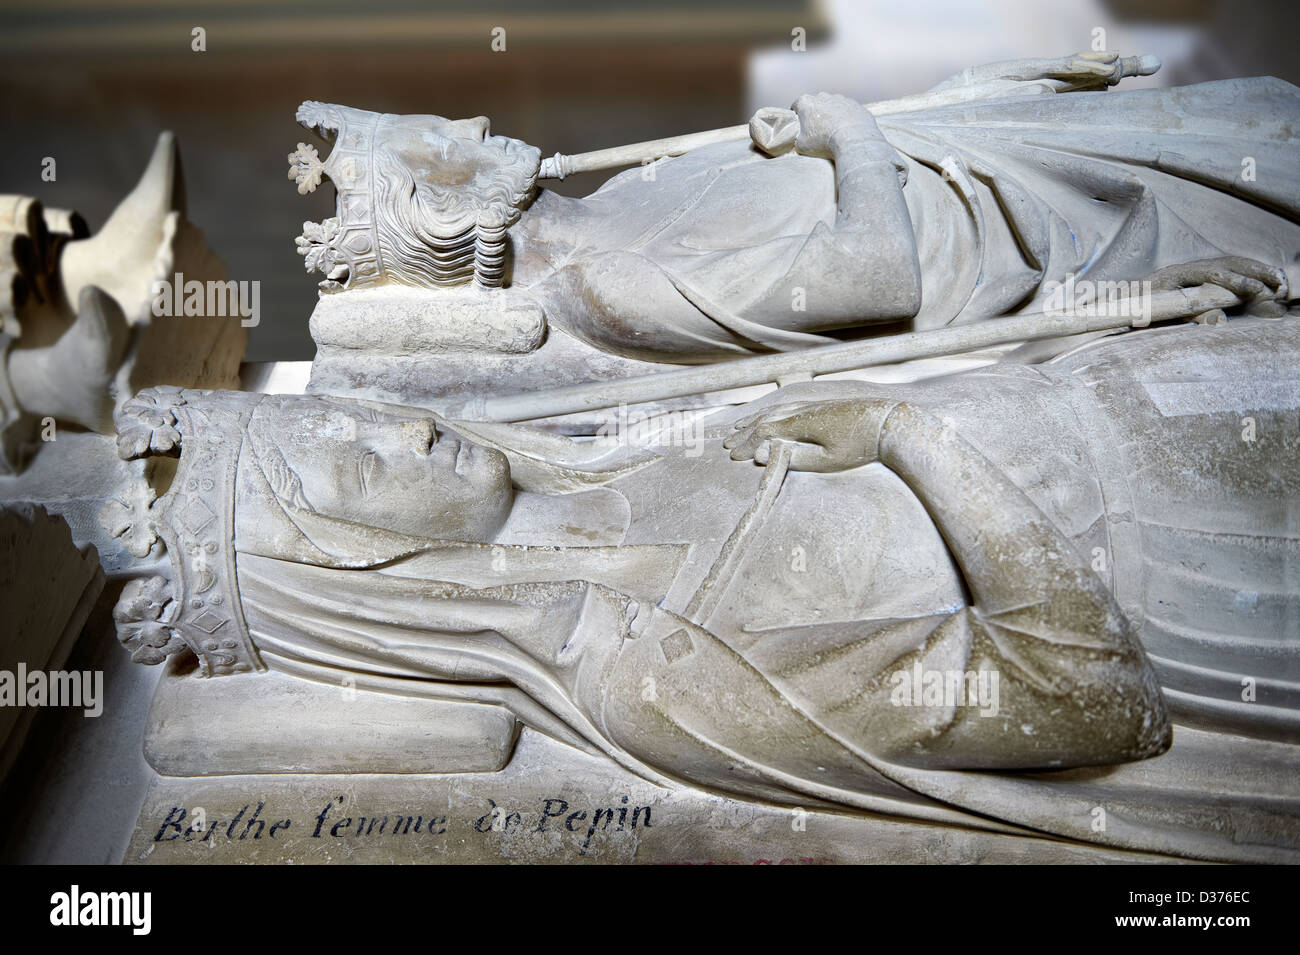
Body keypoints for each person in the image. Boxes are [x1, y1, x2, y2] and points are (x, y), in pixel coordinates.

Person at [114, 313, 1300, 861]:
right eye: (361, 458)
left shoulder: (632, 444)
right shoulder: (642, 671)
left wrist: (1117, 326)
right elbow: (1087, 698)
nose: (409, 425)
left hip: (1163, 393)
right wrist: (907, 436)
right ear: (360, 572)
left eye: (361, 408)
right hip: (1213, 563)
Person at [292, 54, 1300, 363]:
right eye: (447, 149)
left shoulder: (609, 199)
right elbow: (875, 282)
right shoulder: (606, 282)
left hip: (995, 163)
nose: (469, 123)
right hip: (1051, 243)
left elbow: (819, 154)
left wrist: (991, 88)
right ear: (445, 216)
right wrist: (852, 135)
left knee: (1254, 120)